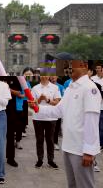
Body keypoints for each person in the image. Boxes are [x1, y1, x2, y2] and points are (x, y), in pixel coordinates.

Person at [28, 60, 101, 188]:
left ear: (84, 66)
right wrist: (37, 108)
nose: (69, 68)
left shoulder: (90, 88)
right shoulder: (70, 88)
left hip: (81, 149)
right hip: (68, 146)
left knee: (84, 185)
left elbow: (92, 120)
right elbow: (57, 111)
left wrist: (89, 150)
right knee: (72, 185)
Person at [31, 76, 61, 169]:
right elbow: (31, 104)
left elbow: (57, 102)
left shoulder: (55, 87)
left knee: (50, 140)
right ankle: (40, 160)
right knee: (39, 140)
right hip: (38, 117)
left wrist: (47, 100)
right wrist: (40, 99)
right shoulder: (35, 88)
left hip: (51, 117)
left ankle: (50, 160)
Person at [50, 76, 65, 150]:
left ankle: (55, 142)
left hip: (58, 110)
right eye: (51, 75)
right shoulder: (47, 85)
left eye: (54, 76)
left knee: (56, 127)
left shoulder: (61, 87)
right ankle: (49, 141)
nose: (53, 77)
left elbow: (63, 98)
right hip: (49, 109)